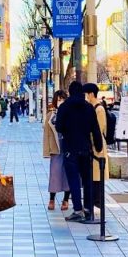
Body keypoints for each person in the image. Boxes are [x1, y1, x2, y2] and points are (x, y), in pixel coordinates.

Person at [55, 81, 103, 222]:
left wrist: (67, 131)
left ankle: (77, 209)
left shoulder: (64, 107)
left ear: (69, 92)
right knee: (87, 180)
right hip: (85, 148)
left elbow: (58, 126)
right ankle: (88, 209)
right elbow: (95, 128)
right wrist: (98, 146)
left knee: (74, 180)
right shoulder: (88, 107)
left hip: (70, 147)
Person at [44, 90, 70, 211]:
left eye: (62, 99)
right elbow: (47, 135)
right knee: (54, 174)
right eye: (58, 99)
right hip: (56, 148)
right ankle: (52, 199)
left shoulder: (71, 113)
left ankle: (66, 199)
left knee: (68, 174)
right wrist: (46, 151)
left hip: (68, 148)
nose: (61, 102)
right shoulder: (51, 115)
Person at [85, 83, 108, 215]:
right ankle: (94, 203)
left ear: (91, 94)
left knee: (97, 177)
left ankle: (98, 204)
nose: (86, 97)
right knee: (93, 178)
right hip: (92, 147)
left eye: (86, 94)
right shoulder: (92, 108)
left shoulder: (99, 109)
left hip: (97, 148)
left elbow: (98, 130)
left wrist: (96, 146)